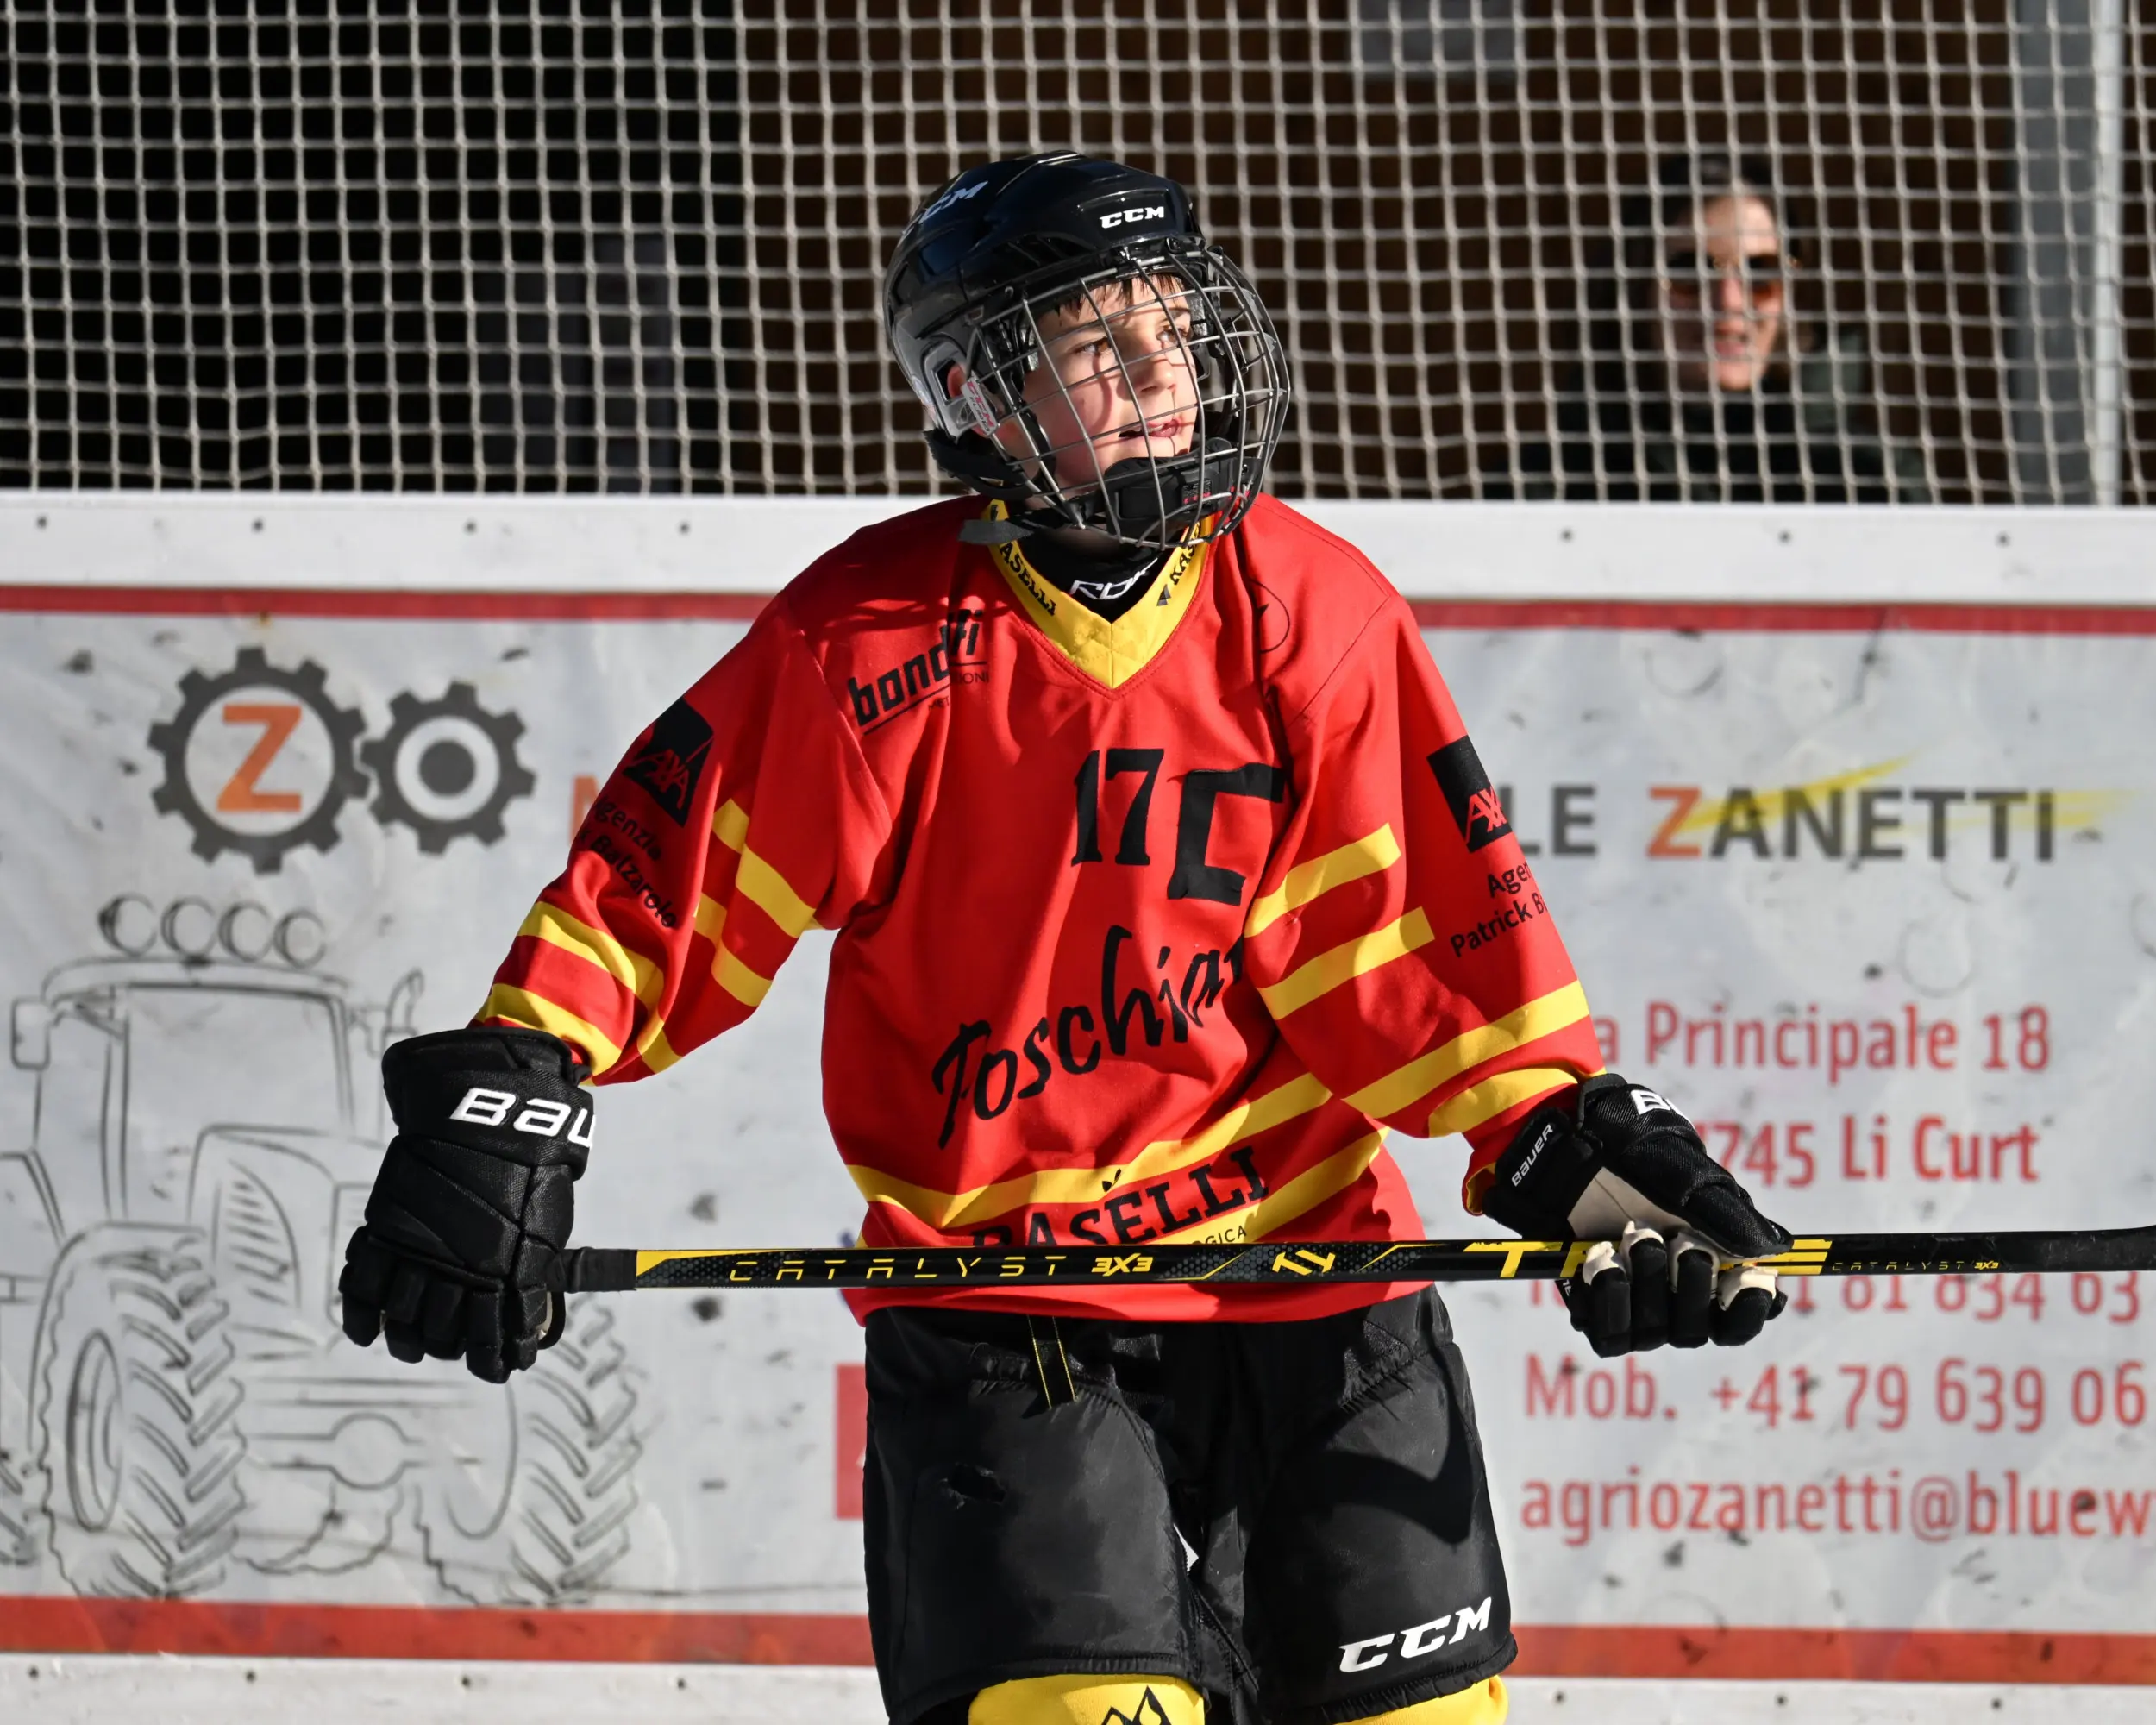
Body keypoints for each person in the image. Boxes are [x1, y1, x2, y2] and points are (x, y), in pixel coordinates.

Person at [334, 154, 1792, 1725]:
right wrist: (519, 1083)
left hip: (1310, 1281)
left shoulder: (1316, 613)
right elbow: (655, 900)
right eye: (1099, 341)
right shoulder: (868, 647)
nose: (1163, 373)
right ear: (982, 391)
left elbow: (1390, 953)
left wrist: (1564, 1143)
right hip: (1010, 1313)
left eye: (1174, 323)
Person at [1501, 154, 1927, 504]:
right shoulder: (1549, 485)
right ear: (1633, 290)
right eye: (1689, 271)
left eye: (1760, 272)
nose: (1729, 302)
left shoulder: (1869, 480)